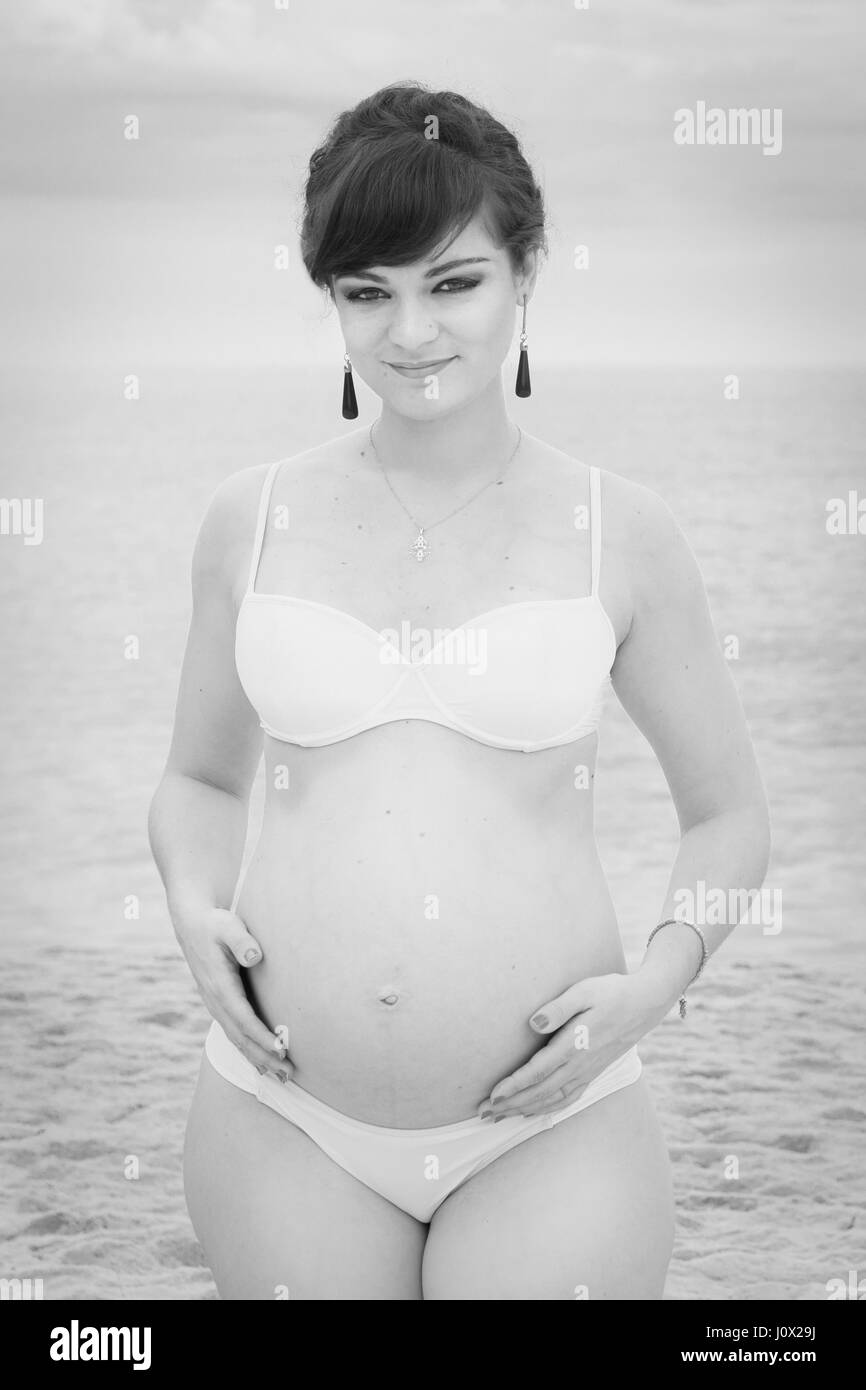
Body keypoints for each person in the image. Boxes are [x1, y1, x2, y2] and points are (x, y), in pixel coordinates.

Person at [148, 81, 770, 1301]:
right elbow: (198, 778)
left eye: (453, 282)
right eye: (365, 292)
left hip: (551, 1123)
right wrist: (187, 901)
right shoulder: (251, 519)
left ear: (526, 272)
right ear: (328, 299)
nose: (410, 332)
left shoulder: (620, 534)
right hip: (284, 1115)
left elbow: (729, 817)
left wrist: (653, 985)